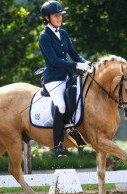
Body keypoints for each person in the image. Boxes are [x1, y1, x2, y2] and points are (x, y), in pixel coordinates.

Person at [39, 0, 91, 157]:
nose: (59, 18)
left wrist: (84, 62)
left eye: (60, 15)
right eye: (56, 16)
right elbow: (54, 61)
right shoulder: (44, 37)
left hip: (67, 76)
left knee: (80, 97)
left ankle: (72, 128)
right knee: (61, 106)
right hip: (53, 79)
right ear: (47, 18)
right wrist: (76, 66)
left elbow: (74, 53)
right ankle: (57, 145)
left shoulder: (63, 33)